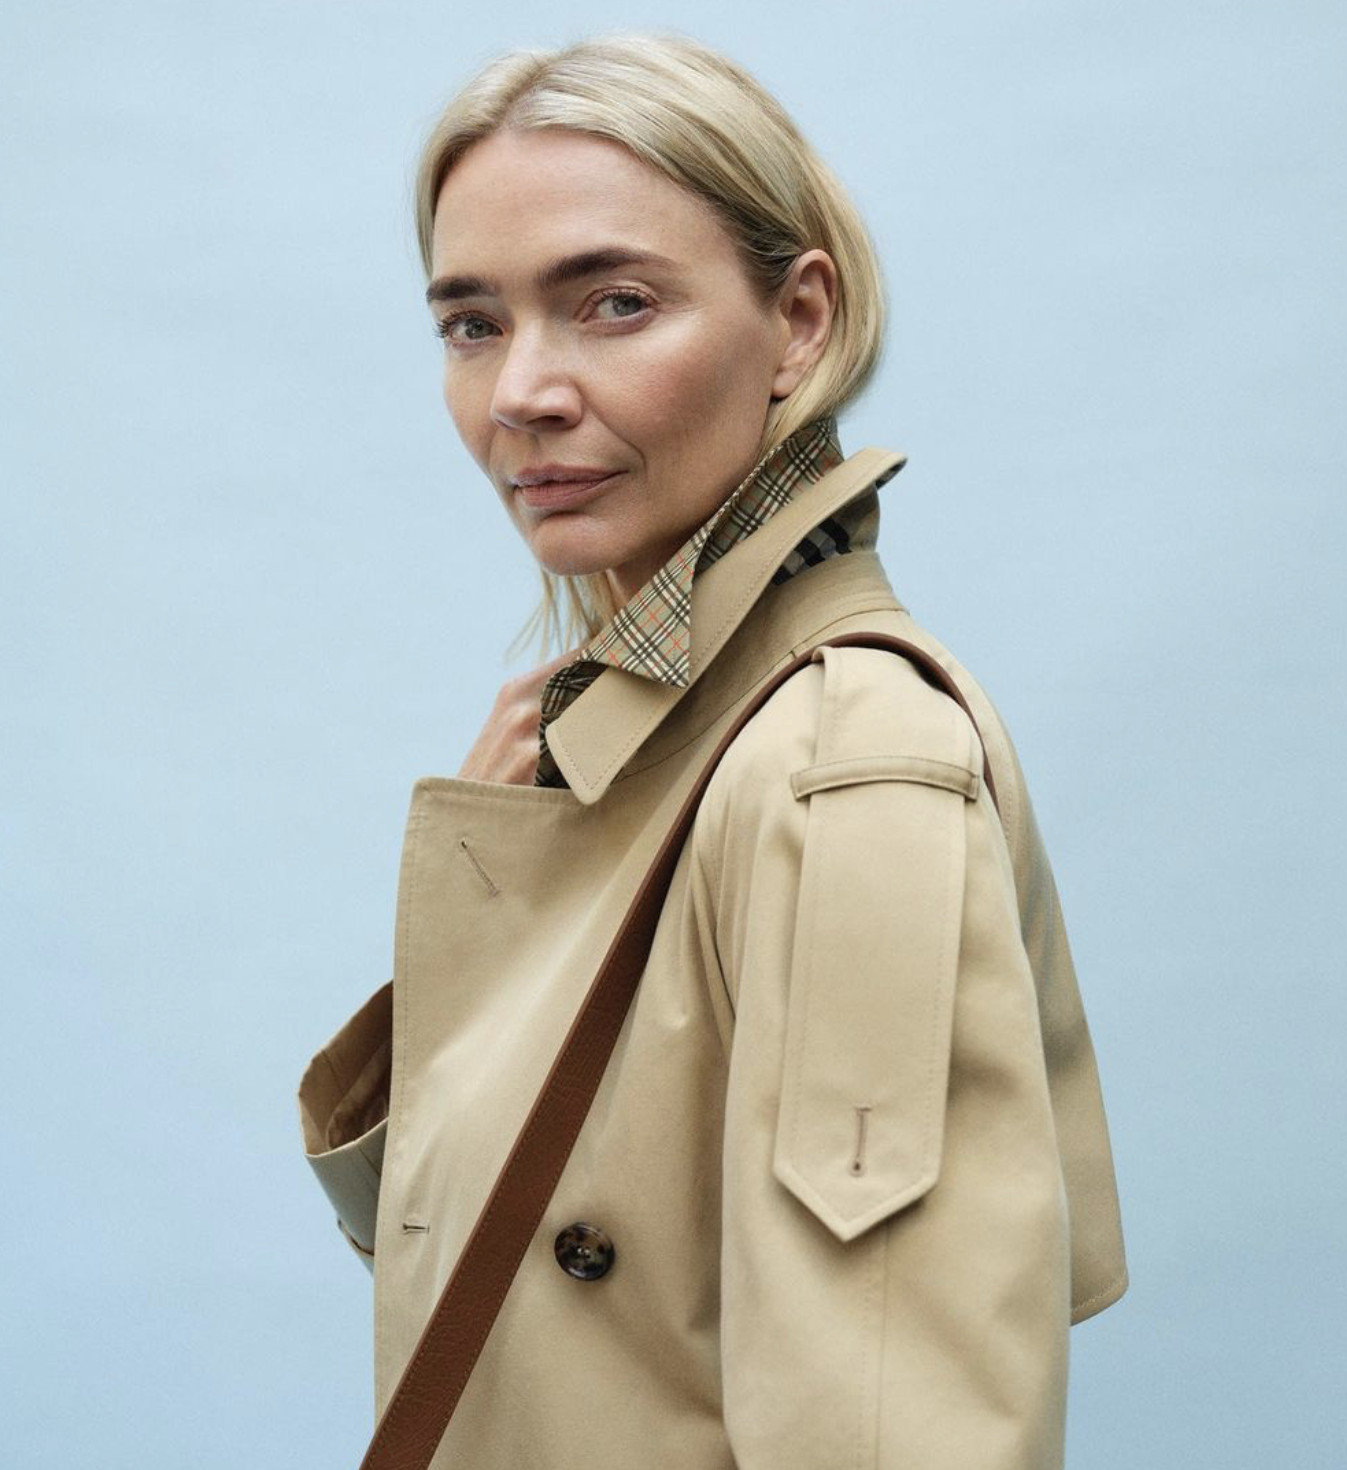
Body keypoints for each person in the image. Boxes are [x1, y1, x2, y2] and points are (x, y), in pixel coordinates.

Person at [297, 33, 1127, 1470]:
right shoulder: (634, 753)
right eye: (472, 323)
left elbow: (896, 1428)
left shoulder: (844, 762)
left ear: (798, 322)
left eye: (612, 303)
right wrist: (502, 915)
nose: (521, 392)